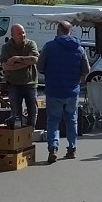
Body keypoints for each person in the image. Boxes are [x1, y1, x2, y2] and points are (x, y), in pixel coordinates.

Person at [37, 21, 91, 164]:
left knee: (53, 120)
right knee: (71, 119)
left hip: (53, 90)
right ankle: (72, 149)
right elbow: (86, 69)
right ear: (70, 31)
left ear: (58, 30)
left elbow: (40, 67)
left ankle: (53, 148)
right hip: (72, 90)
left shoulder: (49, 47)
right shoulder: (79, 48)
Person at [0, 23, 39, 127]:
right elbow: (5, 66)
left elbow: (35, 60)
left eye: (23, 32)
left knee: (32, 111)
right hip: (14, 84)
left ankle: (30, 132)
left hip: (30, 84)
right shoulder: (6, 47)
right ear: (13, 35)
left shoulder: (31, 44)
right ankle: (18, 136)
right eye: (19, 33)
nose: (23, 35)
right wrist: (26, 62)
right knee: (16, 113)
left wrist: (16, 59)